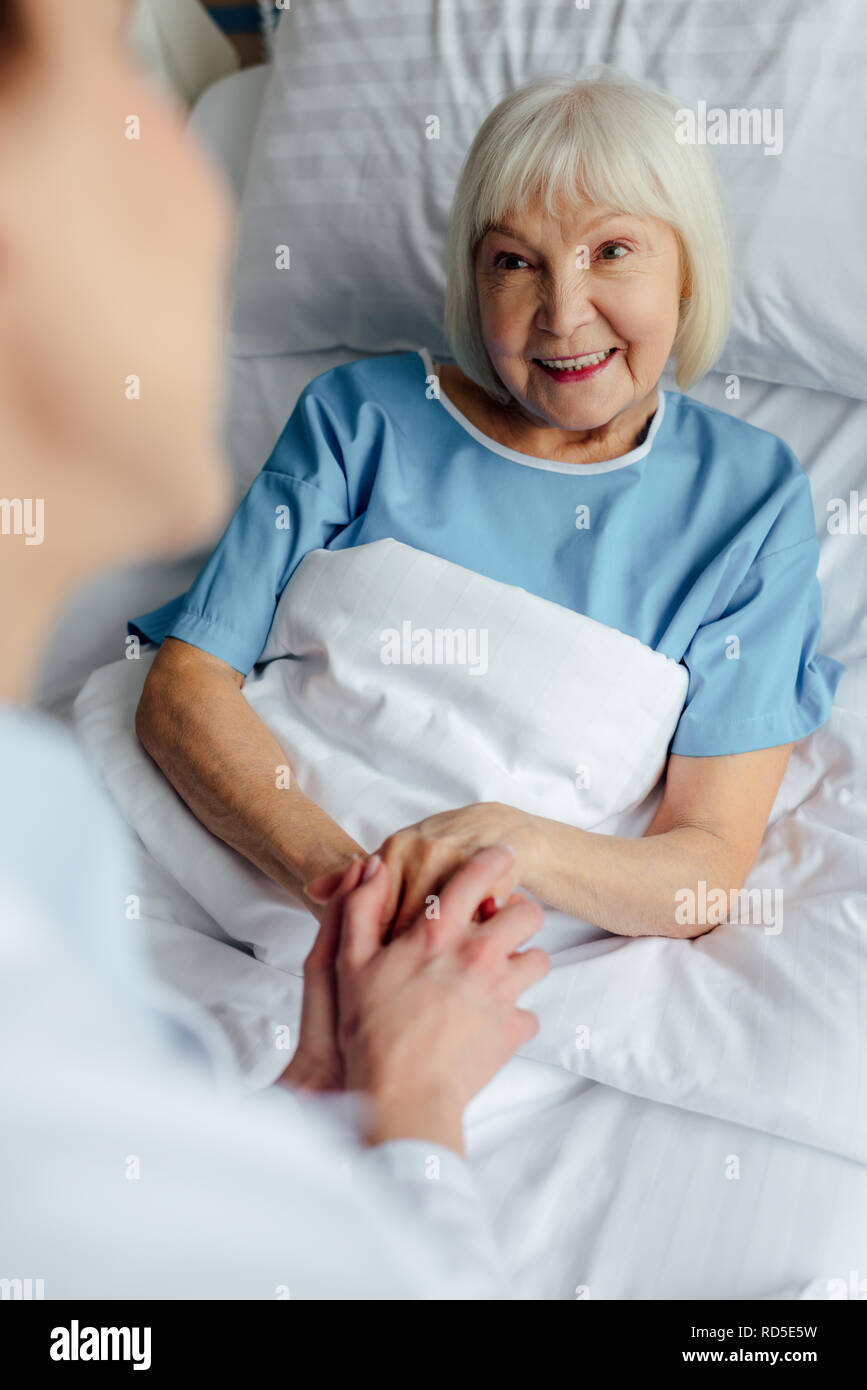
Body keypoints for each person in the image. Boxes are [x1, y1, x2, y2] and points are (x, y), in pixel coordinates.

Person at [0, 0, 549, 1298]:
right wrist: (413, 1115)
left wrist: (318, 1094)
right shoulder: (356, 413)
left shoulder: (39, 829)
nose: (199, 170)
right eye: (122, 76)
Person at [131, 74, 843, 942]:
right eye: (514, 262)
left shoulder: (751, 499)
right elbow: (186, 689)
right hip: (261, 894)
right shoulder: (360, 416)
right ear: (475, 282)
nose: (563, 314)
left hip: (495, 955)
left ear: (687, 268)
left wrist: (514, 843)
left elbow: (702, 865)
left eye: (611, 252)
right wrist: (355, 894)